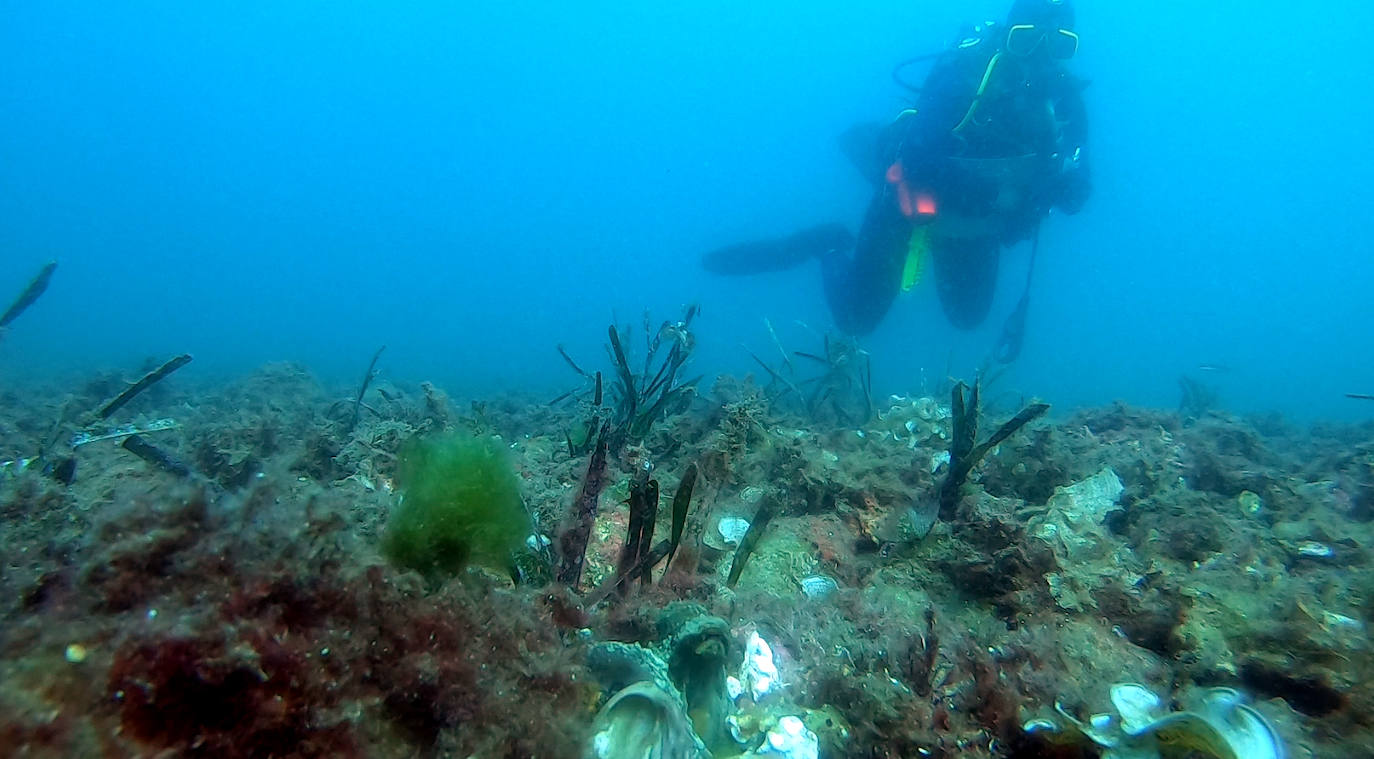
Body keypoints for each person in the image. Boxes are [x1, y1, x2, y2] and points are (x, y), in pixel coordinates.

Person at [704, 0, 1090, 359]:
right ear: (1006, 38)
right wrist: (1004, 194)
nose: (1039, 56)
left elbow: (1079, 178)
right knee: (855, 320)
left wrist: (1066, 191)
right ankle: (830, 244)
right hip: (907, 206)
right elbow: (919, 160)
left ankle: (938, 244)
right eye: (1025, 40)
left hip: (975, 226)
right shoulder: (963, 78)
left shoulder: (1064, 103)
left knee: (968, 317)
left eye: (1059, 45)